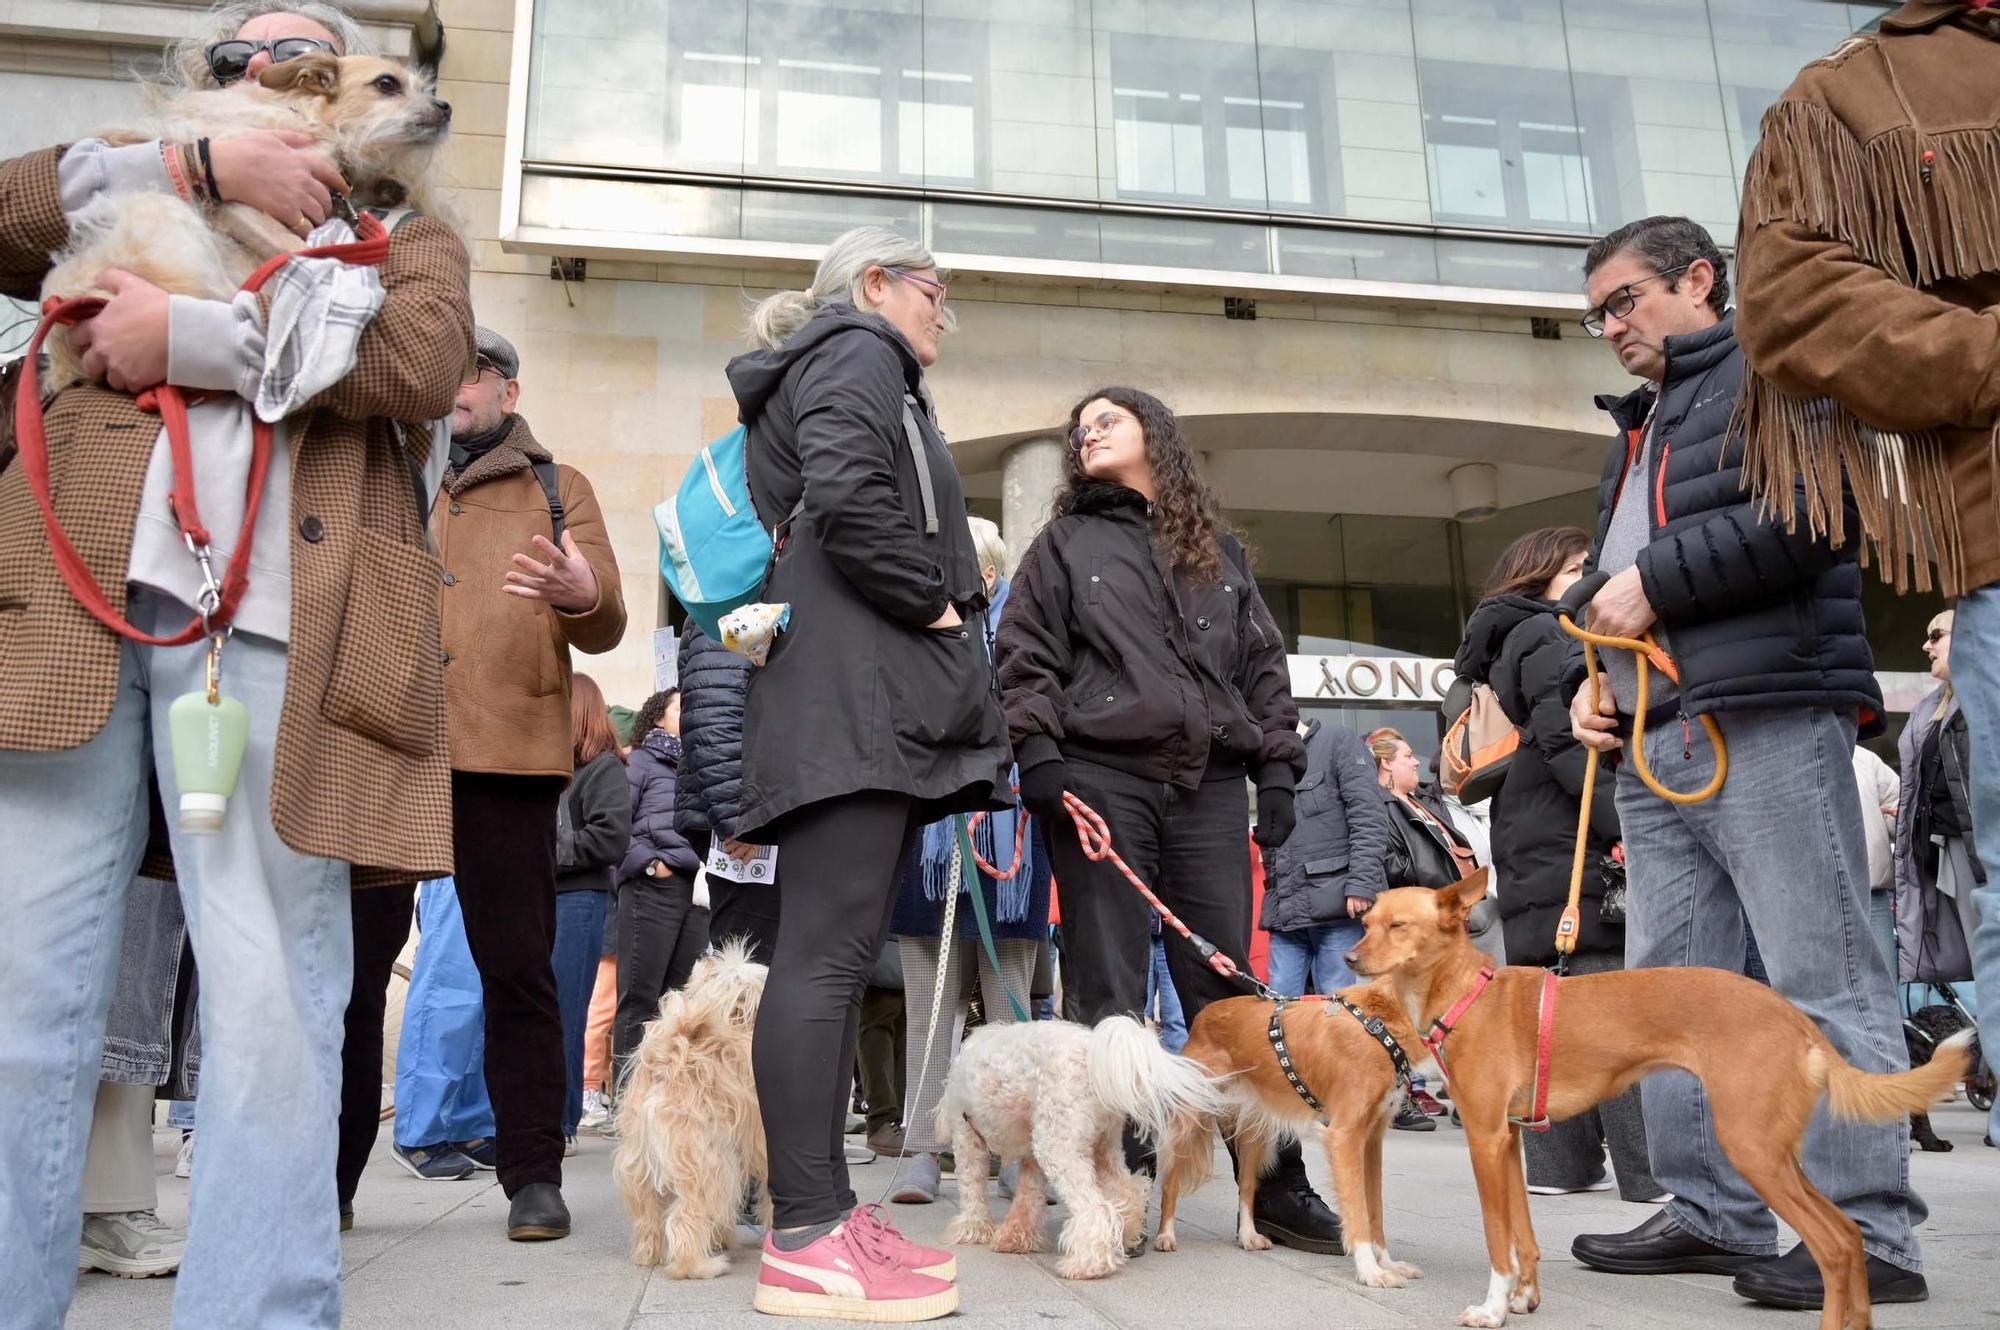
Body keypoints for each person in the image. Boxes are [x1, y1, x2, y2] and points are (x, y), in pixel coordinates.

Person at [0, 1, 472, 1321]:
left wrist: (184, 339)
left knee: (269, 994)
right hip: (68, 606)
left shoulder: (409, 235)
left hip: (275, 619)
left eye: (304, 51)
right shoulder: (126, 168)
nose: (274, 70)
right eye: (244, 54)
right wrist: (198, 168)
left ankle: (259, 1307)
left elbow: (420, 361)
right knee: (23, 994)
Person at [1565, 215, 1924, 1305]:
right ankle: (1711, 1206)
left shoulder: (1777, 373)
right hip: (1655, 736)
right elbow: (1611, 585)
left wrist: (1654, 583)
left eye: (1622, 300)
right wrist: (1597, 689)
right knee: (1665, 991)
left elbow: (1815, 514)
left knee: (1819, 971)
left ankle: (1872, 1235)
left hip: (1762, 714)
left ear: (1698, 280)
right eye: (1595, 316)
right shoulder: (1642, 425)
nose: (1609, 326)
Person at [1730, 2, 2000, 1154]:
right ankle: (1828, 1207)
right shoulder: (1853, 86)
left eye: (1621, 302)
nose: (1610, 325)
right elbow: (1790, 295)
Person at [730, 225, 1010, 1321]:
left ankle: (823, 1214)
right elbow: (848, 498)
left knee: (829, 957)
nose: (945, 311)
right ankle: (804, 1232)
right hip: (853, 698)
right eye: (935, 289)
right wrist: (936, 605)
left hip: (849, 696)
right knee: (825, 957)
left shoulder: (841, 358)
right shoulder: (856, 351)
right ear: (876, 283)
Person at [998, 385, 1339, 1255]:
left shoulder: (1218, 551)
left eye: (1108, 418)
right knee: (1107, 992)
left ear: (1157, 434)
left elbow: (1264, 668)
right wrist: (1038, 756)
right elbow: (1025, 653)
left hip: (1212, 786)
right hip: (1100, 779)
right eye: (1081, 428)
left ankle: (1276, 1187)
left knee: (1225, 994)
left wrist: (1281, 773)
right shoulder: (1064, 544)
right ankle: (1121, 1179)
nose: (1089, 431)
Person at [428, 324, 625, 1241]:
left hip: (508, 752)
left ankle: (532, 1175)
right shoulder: (393, 464)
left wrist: (580, 591)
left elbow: (608, 618)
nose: (454, 387)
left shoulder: (560, 485)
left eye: (470, 370)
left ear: (507, 388)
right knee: (347, 962)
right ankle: (329, 1171)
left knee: (518, 968)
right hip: (390, 741)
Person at [1454, 527, 1659, 1201]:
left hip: (1533, 839)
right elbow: (1574, 745)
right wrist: (1623, 827)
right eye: (1578, 567)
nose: (1592, 577)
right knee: (1611, 1016)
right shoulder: (1551, 636)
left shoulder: (1510, 642)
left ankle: (1558, 1168)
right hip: (1573, 838)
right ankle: (1648, 1171)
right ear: (1541, 576)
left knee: (1544, 1012)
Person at [887, 516, 1052, 1204]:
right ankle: (921, 1148)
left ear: (986, 572)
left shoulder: (1024, 636)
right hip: (928, 836)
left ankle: (1018, 1154)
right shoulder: (913, 633)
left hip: (1010, 841)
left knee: (1011, 1012)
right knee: (927, 1008)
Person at [1259, 718, 1391, 1001]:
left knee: (1337, 1006)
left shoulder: (1336, 740)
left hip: (1339, 907)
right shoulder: (1268, 761)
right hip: (1286, 912)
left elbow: (1369, 818)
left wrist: (1361, 884)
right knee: (1278, 1007)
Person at [553, 673, 632, 1142]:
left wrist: (555, 851)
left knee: (567, 1011)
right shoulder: (553, 768)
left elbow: (611, 838)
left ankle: (561, 1123)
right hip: (546, 898)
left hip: (579, 900)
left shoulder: (604, 768)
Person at [675, 619, 781, 964]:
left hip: (770, 811)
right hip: (751, 822)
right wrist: (742, 817)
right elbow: (714, 711)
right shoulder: (737, 586)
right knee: (745, 977)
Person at [614, 688, 706, 1074]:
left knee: (680, 1002)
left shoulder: (700, 766)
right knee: (640, 998)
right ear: (657, 718)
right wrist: (650, 865)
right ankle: (627, 1100)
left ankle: (663, 1102)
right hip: (654, 887)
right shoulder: (640, 763)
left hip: (695, 892)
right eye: (680, 707)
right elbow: (617, 824)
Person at [1895, 613, 1980, 992]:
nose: (1926, 646)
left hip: (1976, 853)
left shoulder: (1985, 699)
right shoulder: (1932, 709)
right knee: (1974, 961)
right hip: (1942, 853)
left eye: (1935, 635)